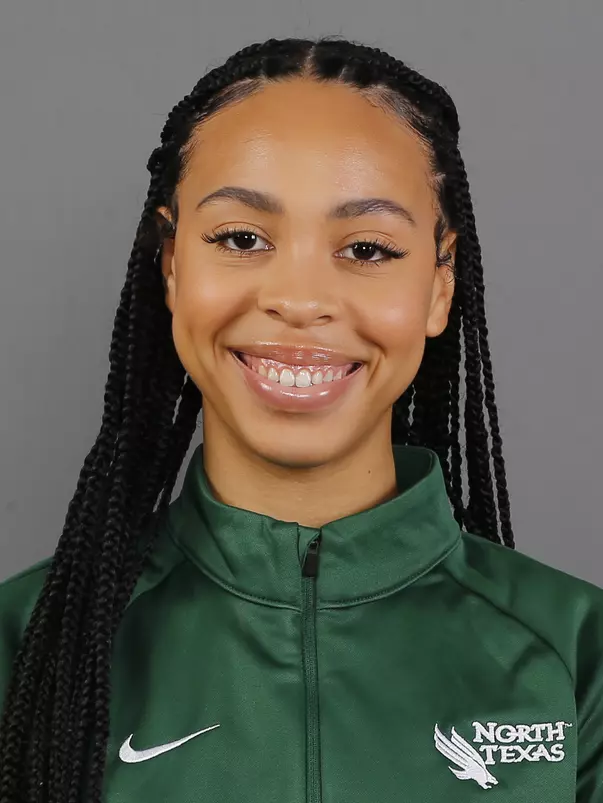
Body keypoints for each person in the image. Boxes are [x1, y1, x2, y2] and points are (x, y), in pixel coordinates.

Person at [0, 34, 601, 803]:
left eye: (367, 248)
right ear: (173, 263)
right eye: (241, 238)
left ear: (439, 283)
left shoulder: (576, 658)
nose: (300, 297)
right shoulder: (29, 651)